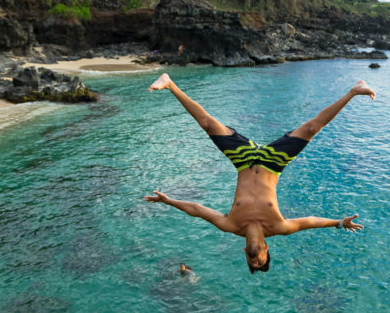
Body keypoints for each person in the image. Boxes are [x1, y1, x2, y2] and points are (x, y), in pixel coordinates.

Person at [144, 73, 373, 273]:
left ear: (245, 252)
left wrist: (169, 201)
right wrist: (339, 223)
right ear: (266, 249)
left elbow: (197, 210)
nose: (254, 262)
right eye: (260, 262)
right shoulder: (279, 227)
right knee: (312, 128)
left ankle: (170, 83)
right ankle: (354, 90)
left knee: (207, 124)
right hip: (273, 163)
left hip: (243, 161)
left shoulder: (232, 225)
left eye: (250, 263)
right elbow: (310, 221)